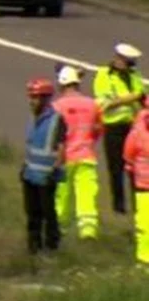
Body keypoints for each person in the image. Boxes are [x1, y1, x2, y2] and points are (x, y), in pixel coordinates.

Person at [52, 66, 104, 240]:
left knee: (61, 196)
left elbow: (52, 134)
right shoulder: (92, 104)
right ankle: (88, 230)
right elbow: (98, 129)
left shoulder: (56, 106)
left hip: (64, 159)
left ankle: (59, 229)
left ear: (61, 84)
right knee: (87, 194)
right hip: (86, 157)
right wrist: (88, 142)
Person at [94, 43, 145, 214]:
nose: (130, 66)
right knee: (115, 168)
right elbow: (105, 103)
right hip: (113, 126)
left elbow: (141, 95)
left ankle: (138, 203)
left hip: (133, 127)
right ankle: (119, 205)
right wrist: (131, 98)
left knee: (136, 168)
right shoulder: (104, 75)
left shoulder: (134, 76)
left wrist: (133, 98)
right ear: (118, 59)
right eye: (128, 62)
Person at [23, 77, 67, 254]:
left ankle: (51, 246)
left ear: (46, 98)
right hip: (30, 174)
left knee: (48, 213)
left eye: (36, 97)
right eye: (31, 97)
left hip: (46, 175)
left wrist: (55, 169)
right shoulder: (34, 119)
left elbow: (62, 148)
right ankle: (33, 247)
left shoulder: (56, 120)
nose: (32, 101)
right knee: (32, 213)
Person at [122, 97, 149, 265]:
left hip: (141, 183)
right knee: (145, 223)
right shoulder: (137, 133)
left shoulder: (137, 132)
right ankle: (145, 258)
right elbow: (128, 156)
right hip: (143, 186)